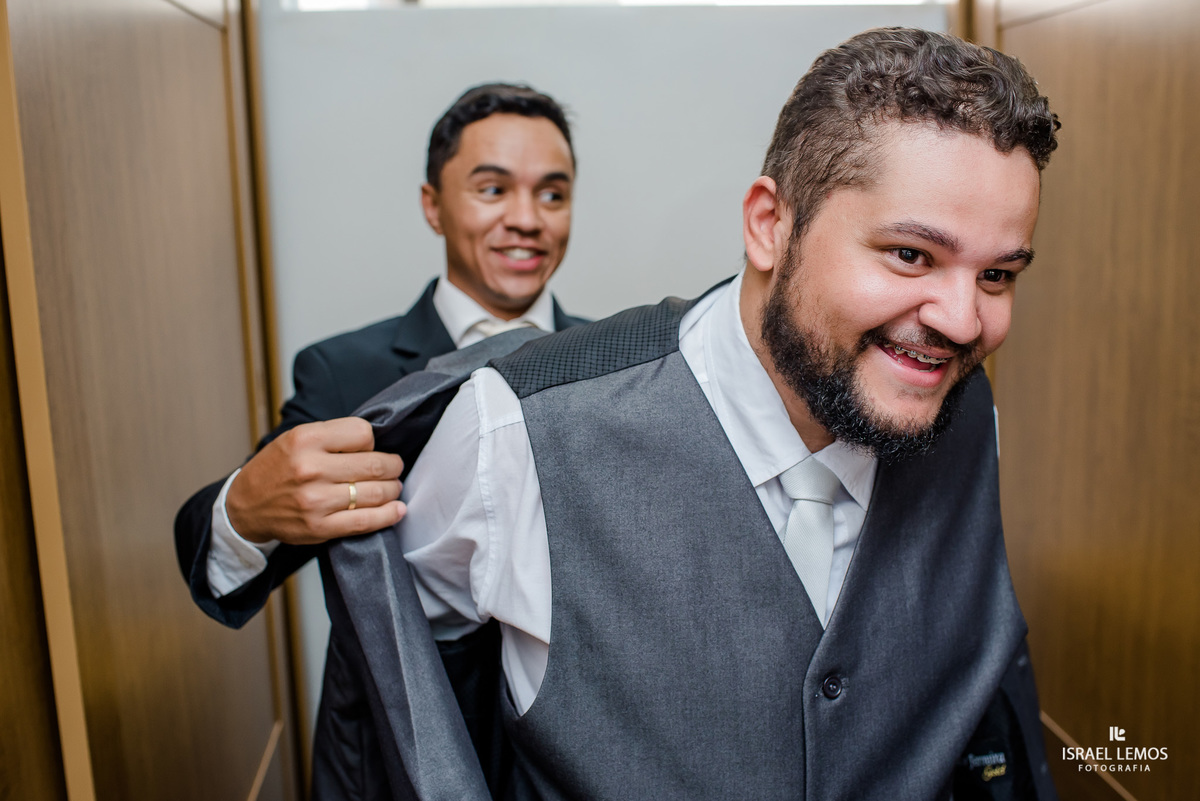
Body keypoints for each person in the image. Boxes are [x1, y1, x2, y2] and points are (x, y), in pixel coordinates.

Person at [380, 28, 1061, 799]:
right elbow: (408, 696)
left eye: (998, 274)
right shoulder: (517, 434)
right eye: (910, 254)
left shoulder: (968, 417)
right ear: (772, 224)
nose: (964, 322)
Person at [173, 83, 587, 798]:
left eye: (552, 195)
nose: (526, 219)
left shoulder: (612, 360)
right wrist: (248, 505)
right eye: (492, 189)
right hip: (390, 759)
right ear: (433, 203)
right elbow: (216, 565)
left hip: (567, 754)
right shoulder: (344, 373)